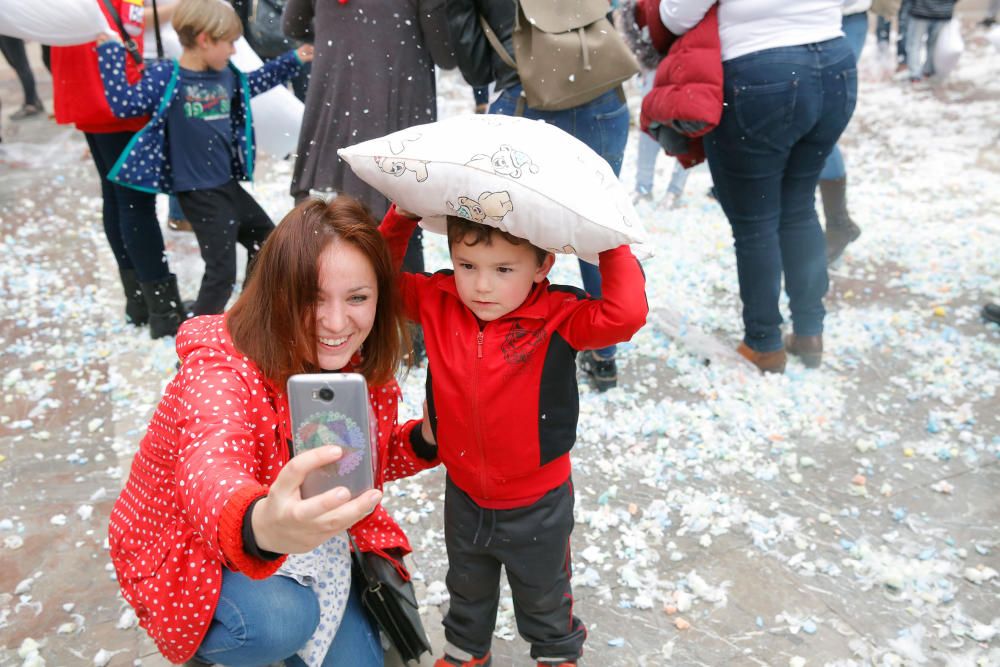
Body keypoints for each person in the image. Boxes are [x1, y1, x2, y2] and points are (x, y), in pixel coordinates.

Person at [108, 196, 439, 666]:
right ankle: (220, 644)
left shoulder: (356, 369)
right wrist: (259, 526)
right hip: (196, 547)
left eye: (358, 298)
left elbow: (362, 460)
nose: (337, 322)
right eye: (313, 297)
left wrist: (425, 439)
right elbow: (211, 460)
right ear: (278, 292)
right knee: (280, 622)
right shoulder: (221, 369)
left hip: (312, 545)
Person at [379, 204, 648, 667]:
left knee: (543, 593)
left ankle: (556, 654)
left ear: (543, 265)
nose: (482, 285)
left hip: (538, 502)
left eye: (504, 269)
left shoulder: (560, 315)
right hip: (464, 491)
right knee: (467, 583)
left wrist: (608, 239)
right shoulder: (437, 300)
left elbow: (626, 315)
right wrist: (401, 218)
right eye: (468, 266)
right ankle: (466, 652)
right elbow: (380, 282)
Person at [652, 0, 857, 373]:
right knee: (798, 206)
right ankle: (810, 331)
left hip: (761, 71)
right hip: (833, 63)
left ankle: (764, 343)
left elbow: (676, 15)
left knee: (755, 223)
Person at [444, 0, 632, 392]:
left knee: (508, 235)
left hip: (525, 103)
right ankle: (605, 354)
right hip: (601, 94)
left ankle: (511, 355)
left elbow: (475, 66)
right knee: (599, 230)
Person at [95, 0, 313, 316]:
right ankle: (195, 342)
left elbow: (255, 84)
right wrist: (111, 54)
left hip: (225, 186)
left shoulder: (224, 75)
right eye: (229, 43)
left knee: (266, 243)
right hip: (198, 193)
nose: (234, 52)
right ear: (204, 40)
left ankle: (253, 312)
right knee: (220, 274)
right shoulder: (167, 78)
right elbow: (124, 104)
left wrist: (293, 59)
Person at [282, 0, 455, 276]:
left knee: (336, 234)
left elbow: (293, 24)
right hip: (395, 117)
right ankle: (397, 312)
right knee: (401, 236)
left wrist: (341, 37)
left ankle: (347, 304)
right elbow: (446, 54)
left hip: (335, 111)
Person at [50, 1, 187, 339]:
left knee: (115, 197)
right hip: (115, 95)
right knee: (133, 203)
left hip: (88, 92)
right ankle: (163, 309)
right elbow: (131, 22)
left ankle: (139, 301)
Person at [819, 0, 870, 264]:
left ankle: (837, 223)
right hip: (795, 22)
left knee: (821, 121)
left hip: (844, 18)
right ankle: (835, 224)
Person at [905, 0, 959, 82]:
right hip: (942, 12)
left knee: (915, 44)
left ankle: (915, 74)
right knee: (934, 44)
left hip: (920, 10)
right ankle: (928, 70)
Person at [0, 36, 45, 120]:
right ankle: (34, 100)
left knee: (21, 66)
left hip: (8, 30)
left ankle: (31, 104)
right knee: (16, 64)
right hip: (3, 31)